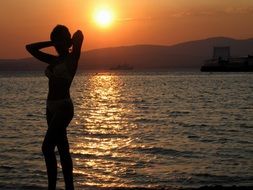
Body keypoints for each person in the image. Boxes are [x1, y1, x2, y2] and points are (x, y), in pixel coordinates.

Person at [26, 25, 84, 190]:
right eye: (55, 41)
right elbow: (29, 48)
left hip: (64, 107)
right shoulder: (54, 60)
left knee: (46, 147)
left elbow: (79, 34)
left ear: (65, 41)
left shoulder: (72, 58)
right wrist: (52, 42)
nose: (57, 45)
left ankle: (52, 187)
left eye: (58, 41)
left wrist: (67, 41)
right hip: (50, 107)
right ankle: (69, 187)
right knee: (63, 149)